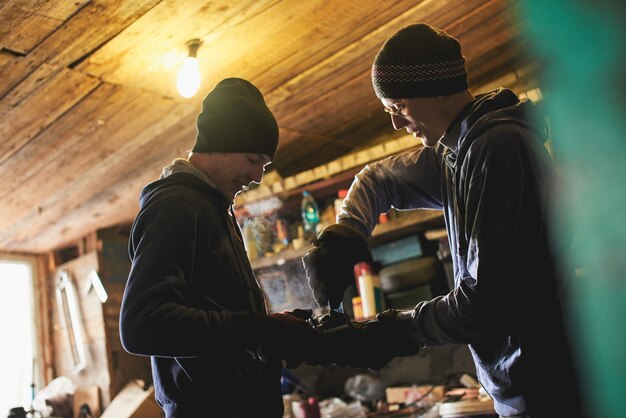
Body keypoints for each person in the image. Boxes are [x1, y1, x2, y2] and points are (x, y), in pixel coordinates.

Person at [303, 23, 583, 417]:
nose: (397, 124)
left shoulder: (496, 149)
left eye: (399, 107)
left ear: (436, 88)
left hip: (548, 386)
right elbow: (376, 178)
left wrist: (391, 331)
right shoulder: (456, 152)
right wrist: (344, 233)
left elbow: (484, 303)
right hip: (516, 387)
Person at [120, 78, 318, 418]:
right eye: (253, 159)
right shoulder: (178, 206)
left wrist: (271, 334)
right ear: (220, 144)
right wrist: (263, 329)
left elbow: (218, 318)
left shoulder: (213, 209)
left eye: (264, 166)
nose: (257, 175)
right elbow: (143, 324)